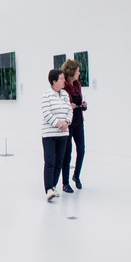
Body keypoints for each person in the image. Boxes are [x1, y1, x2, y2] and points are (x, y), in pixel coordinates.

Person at [41, 69, 73, 202]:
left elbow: (70, 110)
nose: (63, 81)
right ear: (54, 81)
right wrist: (59, 123)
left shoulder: (65, 94)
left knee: (59, 161)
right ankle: (48, 189)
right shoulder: (46, 95)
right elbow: (46, 113)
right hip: (49, 134)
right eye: (61, 78)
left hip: (63, 134)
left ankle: (53, 186)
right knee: (50, 161)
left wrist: (67, 122)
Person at [59, 59, 86, 191]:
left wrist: (83, 106)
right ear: (71, 72)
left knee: (81, 150)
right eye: (77, 71)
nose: (79, 73)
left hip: (79, 121)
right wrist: (68, 106)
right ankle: (65, 183)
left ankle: (76, 176)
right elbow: (61, 105)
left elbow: (79, 102)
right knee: (67, 153)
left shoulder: (78, 86)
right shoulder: (63, 87)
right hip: (68, 123)